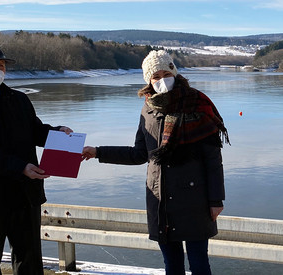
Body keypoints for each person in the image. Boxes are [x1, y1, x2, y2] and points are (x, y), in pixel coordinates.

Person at [82, 50, 229, 275]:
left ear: (174, 72)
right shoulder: (148, 108)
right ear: (148, 81)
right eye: (155, 77)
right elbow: (140, 154)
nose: (162, 80)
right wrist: (98, 152)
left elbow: (213, 159)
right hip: (160, 200)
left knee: (199, 264)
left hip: (194, 200)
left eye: (165, 73)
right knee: (172, 265)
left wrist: (216, 200)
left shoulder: (196, 103)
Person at [0, 42, 73, 275]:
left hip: (25, 193)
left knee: (29, 259)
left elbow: (35, 131)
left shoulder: (19, 99)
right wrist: (20, 166)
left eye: (0, 65)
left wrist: (58, 133)